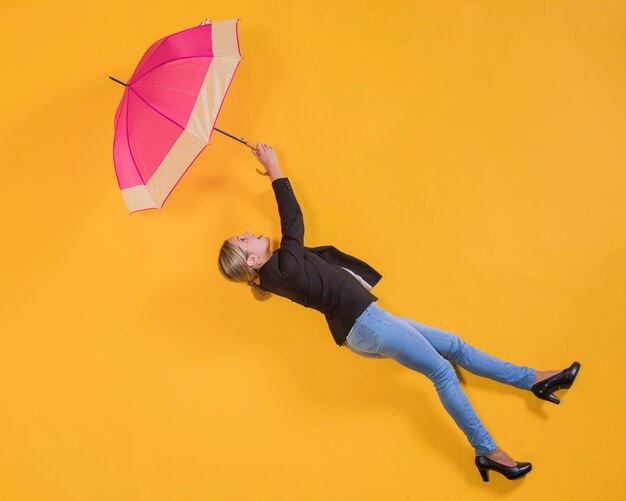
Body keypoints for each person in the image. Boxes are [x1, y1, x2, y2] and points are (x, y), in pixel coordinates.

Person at [217, 143, 581, 482]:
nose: (249, 232)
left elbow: (302, 243)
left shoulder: (276, 271)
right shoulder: (281, 269)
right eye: (244, 238)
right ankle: (488, 451)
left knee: (453, 346)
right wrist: (275, 167)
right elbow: (293, 223)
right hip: (366, 324)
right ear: (251, 259)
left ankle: (534, 379)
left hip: (366, 325)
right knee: (442, 372)